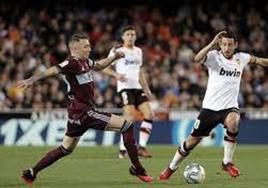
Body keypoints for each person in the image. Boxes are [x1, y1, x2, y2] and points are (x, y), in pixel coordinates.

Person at [17, 33, 153, 185]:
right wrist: (31, 80)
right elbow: (53, 70)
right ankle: (137, 168)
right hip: (85, 112)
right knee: (127, 126)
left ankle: (31, 172)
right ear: (75, 49)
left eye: (89, 45)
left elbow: (100, 65)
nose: (89, 48)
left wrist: (114, 57)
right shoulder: (72, 63)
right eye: (86, 46)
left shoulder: (85, 62)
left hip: (75, 115)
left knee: (65, 149)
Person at [158, 31, 268, 180]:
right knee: (191, 142)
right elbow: (197, 59)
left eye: (230, 44)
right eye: (223, 44)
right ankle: (171, 168)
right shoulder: (214, 56)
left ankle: (227, 162)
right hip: (210, 109)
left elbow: (259, 61)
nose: (226, 47)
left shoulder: (241, 58)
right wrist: (211, 44)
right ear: (220, 44)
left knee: (234, 122)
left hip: (229, 107)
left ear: (235, 45)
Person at [102, 26, 154, 159]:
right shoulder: (117, 50)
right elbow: (104, 67)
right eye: (128, 34)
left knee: (149, 114)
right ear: (123, 37)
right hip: (125, 88)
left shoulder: (138, 51)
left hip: (138, 88)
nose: (130, 36)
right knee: (129, 117)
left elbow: (140, 71)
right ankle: (122, 150)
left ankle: (142, 147)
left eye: (132, 34)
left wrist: (147, 89)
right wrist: (116, 75)